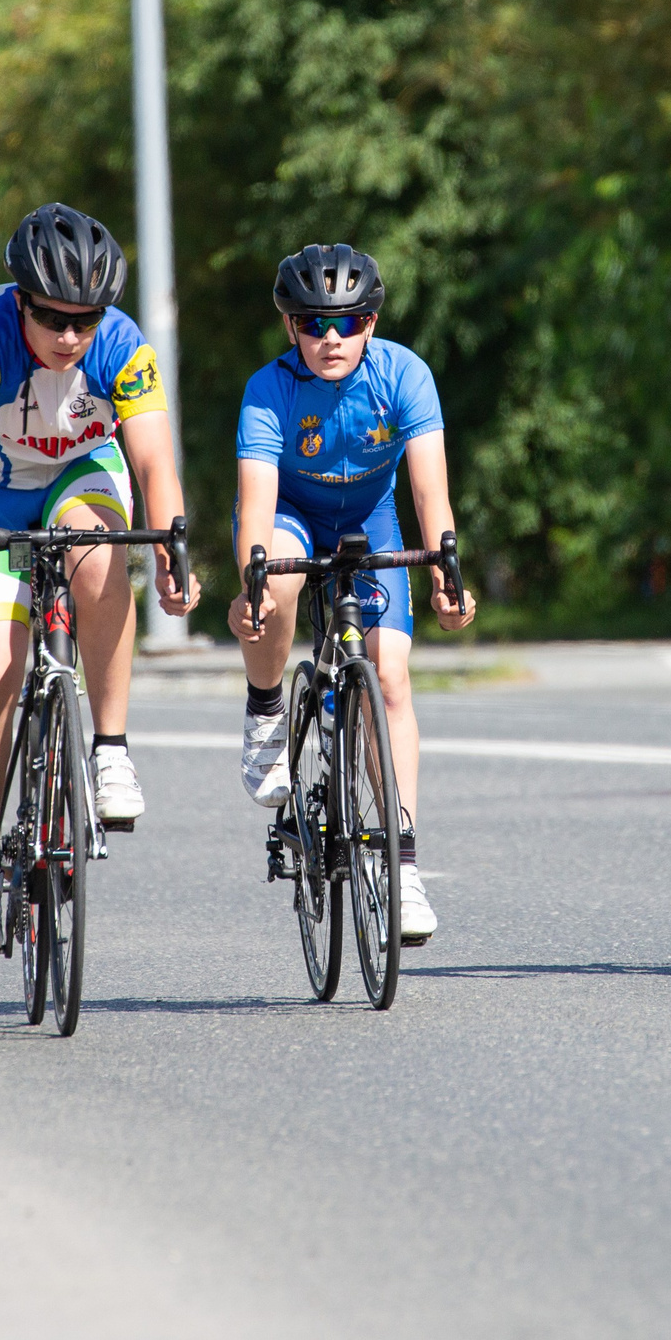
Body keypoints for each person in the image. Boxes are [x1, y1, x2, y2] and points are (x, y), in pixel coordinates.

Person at [0, 203, 199, 956]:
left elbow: (152, 462)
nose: (71, 336)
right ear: (22, 304)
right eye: (53, 319)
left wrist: (175, 553)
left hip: (80, 476)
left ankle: (109, 746)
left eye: (87, 319)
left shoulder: (121, 344)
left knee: (99, 550)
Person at [231, 244, 475, 946]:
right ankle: (267, 711)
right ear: (290, 328)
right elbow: (256, 499)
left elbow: (430, 489)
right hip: (293, 514)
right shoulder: (268, 389)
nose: (330, 338)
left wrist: (444, 570)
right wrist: (256, 575)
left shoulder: (405, 374)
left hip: (370, 521)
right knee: (273, 574)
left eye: (348, 321)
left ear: (371, 323)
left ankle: (401, 867)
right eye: (312, 323)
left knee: (391, 676)